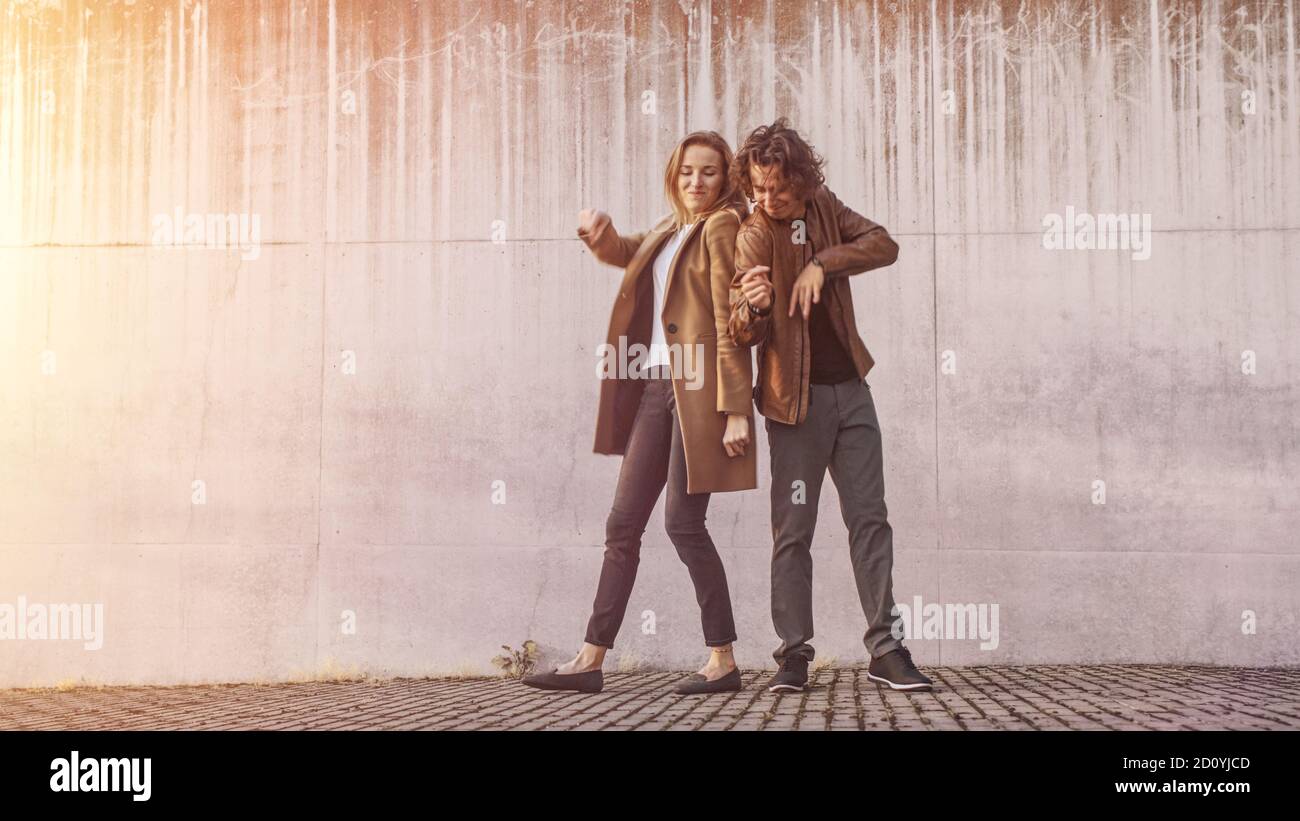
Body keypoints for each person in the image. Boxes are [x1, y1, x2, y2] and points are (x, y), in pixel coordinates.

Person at [522, 131, 757, 695]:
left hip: (697, 391)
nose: (696, 182)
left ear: (725, 179)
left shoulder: (722, 227)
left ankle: (722, 658)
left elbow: (731, 317)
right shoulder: (670, 227)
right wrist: (599, 237)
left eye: (708, 172)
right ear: (674, 177)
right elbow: (627, 252)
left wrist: (736, 409)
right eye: (687, 172)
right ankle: (590, 658)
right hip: (654, 388)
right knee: (622, 524)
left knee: (682, 524)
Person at [727, 118, 933, 693]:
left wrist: (823, 262)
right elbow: (738, 330)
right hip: (793, 405)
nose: (769, 198)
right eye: (759, 187)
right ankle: (793, 655)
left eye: (779, 187)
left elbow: (884, 244)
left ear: (803, 177)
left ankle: (885, 649)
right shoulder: (752, 233)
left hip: (852, 394)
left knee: (870, 520)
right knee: (793, 530)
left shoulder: (823, 207)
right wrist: (758, 307)